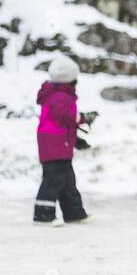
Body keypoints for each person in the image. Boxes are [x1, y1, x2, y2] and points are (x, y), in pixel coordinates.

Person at [34, 54, 89, 225]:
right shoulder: (59, 96)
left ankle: (74, 213)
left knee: (67, 180)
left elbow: (63, 123)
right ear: (69, 79)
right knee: (54, 179)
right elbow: (64, 117)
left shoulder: (60, 94)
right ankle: (43, 214)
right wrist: (82, 118)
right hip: (54, 145)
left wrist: (75, 139)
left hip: (59, 144)